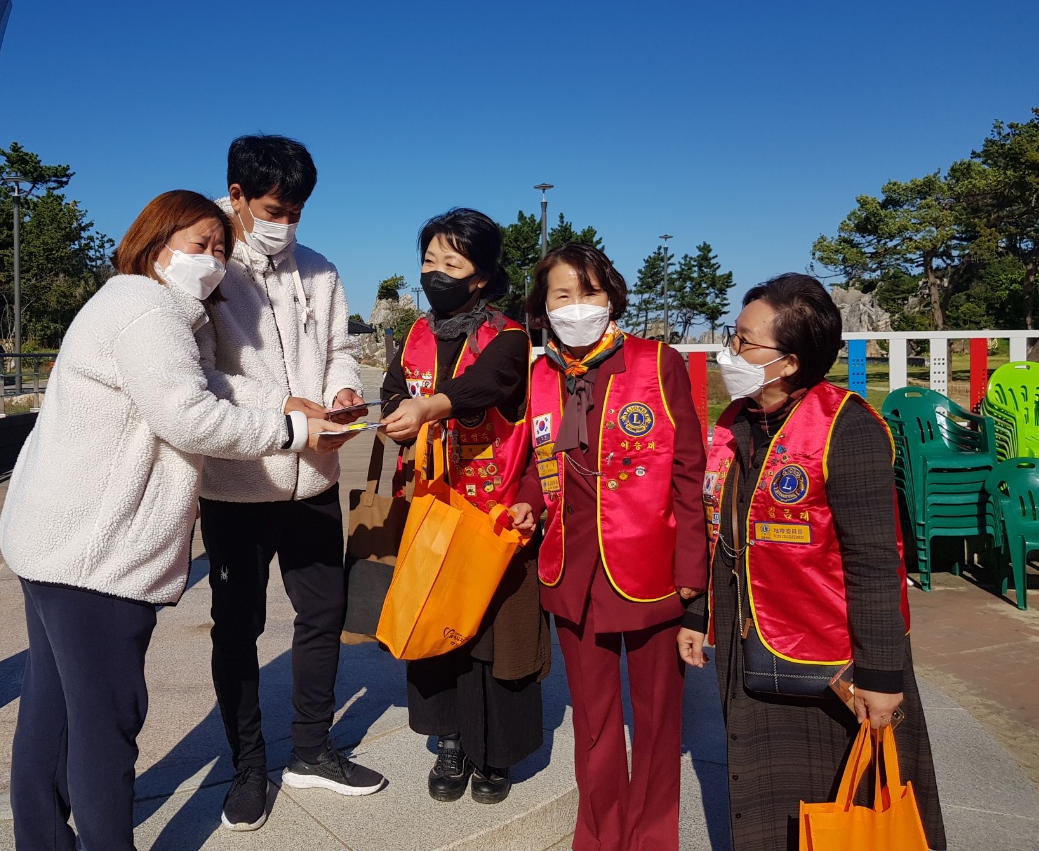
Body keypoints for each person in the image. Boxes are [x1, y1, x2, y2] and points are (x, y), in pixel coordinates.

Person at [0, 191, 343, 851]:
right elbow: (190, 416)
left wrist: (285, 401)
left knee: (53, 715)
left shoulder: (138, 305)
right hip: (96, 557)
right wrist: (293, 431)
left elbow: (206, 383)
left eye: (220, 248)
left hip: (52, 545)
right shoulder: (148, 311)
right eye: (198, 244)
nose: (212, 260)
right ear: (156, 245)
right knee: (106, 724)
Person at [677, 272, 947, 851]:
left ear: (791, 361)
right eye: (732, 335)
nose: (730, 351)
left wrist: (881, 676)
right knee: (762, 793)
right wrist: (697, 614)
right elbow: (717, 532)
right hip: (751, 643)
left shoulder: (847, 427)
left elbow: (875, 561)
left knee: (839, 801)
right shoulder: (737, 422)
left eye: (744, 341)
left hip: (833, 662)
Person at [197, 134, 385, 832]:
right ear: (238, 196)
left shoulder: (320, 270)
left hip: (315, 480)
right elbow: (198, 373)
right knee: (237, 627)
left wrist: (340, 395)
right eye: (275, 210)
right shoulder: (206, 261)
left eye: (298, 212)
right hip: (237, 483)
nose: (286, 224)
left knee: (323, 612)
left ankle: (311, 749)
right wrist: (282, 405)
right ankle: (248, 765)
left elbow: (339, 349)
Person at [508, 243, 708, 851]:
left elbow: (689, 470)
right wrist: (528, 501)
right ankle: (598, 835)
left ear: (612, 296)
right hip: (572, 570)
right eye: (562, 295)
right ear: (543, 306)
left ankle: (652, 838)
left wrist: (692, 568)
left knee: (657, 718)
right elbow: (536, 462)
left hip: (651, 568)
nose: (577, 306)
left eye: (589, 292)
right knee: (593, 721)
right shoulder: (542, 374)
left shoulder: (657, 362)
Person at [380, 208, 548, 805]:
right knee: (434, 622)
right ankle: (448, 740)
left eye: (451, 263)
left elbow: (491, 385)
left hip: (494, 509)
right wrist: (397, 415)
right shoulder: (416, 334)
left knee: (498, 639)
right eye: (429, 260)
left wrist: (431, 407)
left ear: (480, 275)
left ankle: (494, 753)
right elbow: (394, 389)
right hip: (432, 506)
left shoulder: (508, 336)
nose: (436, 273)